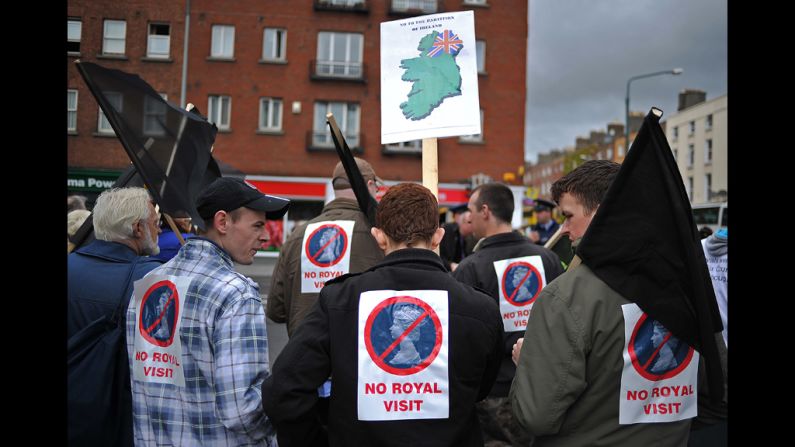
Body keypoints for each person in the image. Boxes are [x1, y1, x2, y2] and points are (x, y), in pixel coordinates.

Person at [262, 183, 503, 447]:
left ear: (379, 236)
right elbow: (481, 388)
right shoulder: (481, 308)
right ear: (438, 237)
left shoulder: (341, 300)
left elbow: (284, 391)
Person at [509, 159, 698, 445]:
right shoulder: (689, 284)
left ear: (602, 212)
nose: (564, 229)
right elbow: (714, 391)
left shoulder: (565, 296)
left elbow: (536, 416)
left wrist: (529, 365)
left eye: (568, 216)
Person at [126, 177, 289, 446]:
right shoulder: (236, 293)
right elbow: (243, 411)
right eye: (258, 225)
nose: (265, 235)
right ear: (223, 222)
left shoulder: (148, 285)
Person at [453, 182, 564, 447]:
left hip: (495, 395)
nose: (468, 217)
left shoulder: (471, 268)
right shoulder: (547, 258)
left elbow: (464, 337)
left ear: (485, 211)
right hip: (546, 387)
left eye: (471, 209)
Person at [67, 187, 164, 447]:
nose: (160, 231)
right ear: (137, 228)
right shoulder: (152, 279)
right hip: (121, 416)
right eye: (156, 223)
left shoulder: (70, 264)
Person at [267, 157, 384, 337]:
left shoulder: (298, 235)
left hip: (305, 355)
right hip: (357, 356)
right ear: (369, 185)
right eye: (377, 188)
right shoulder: (380, 234)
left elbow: (277, 310)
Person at [439, 204, 476, 271]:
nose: (472, 225)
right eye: (469, 222)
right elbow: (439, 255)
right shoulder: (448, 231)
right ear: (461, 222)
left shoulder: (472, 237)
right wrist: (450, 265)